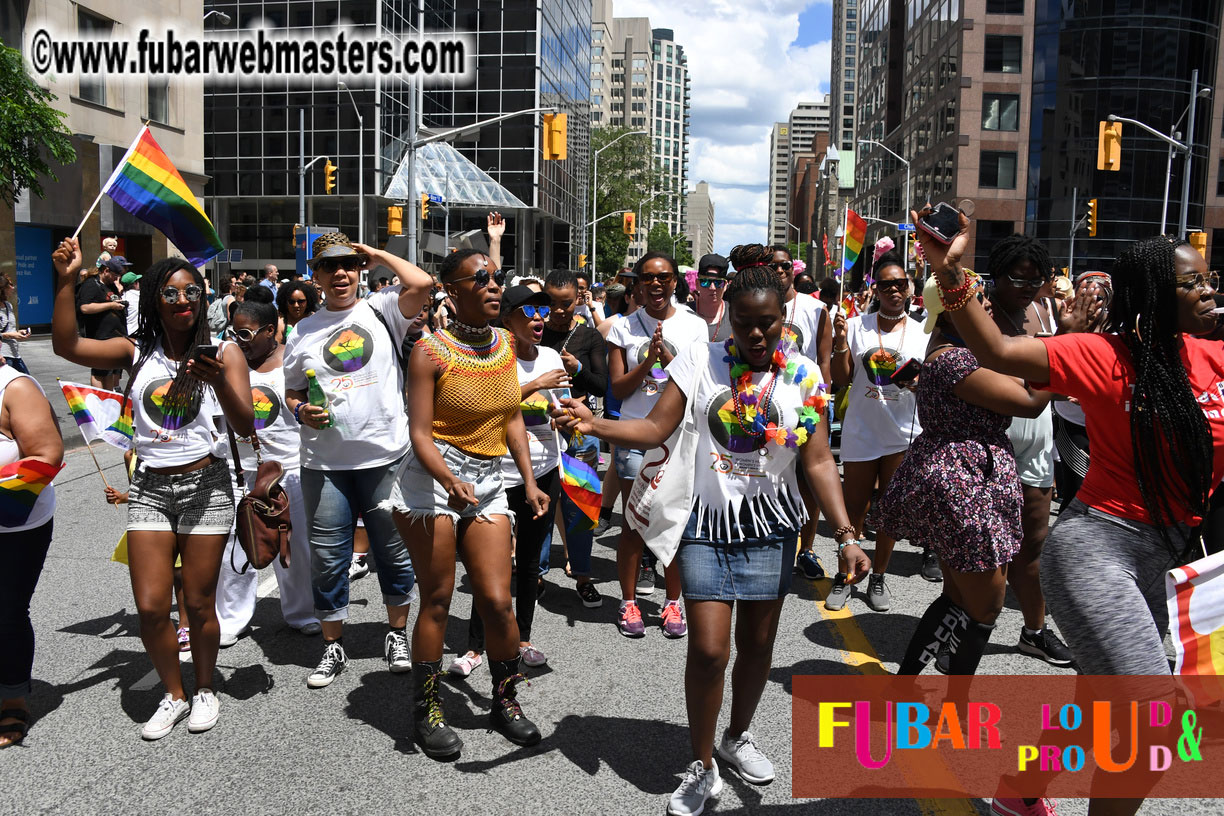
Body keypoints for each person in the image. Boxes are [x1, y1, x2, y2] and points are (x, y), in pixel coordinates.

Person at [917, 209, 1224, 816]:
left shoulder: (1215, 360)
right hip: (1097, 551)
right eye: (1192, 283)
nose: (1209, 290)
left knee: (1094, 704)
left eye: (1210, 279)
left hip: (1170, 562)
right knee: (1152, 718)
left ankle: (1019, 790)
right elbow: (997, 346)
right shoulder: (1104, 355)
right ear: (1157, 297)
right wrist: (953, 270)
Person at [553, 264, 871, 816]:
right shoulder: (702, 360)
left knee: (758, 646)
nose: (754, 335)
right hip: (705, 523)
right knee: (707, 650)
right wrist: (595, 424)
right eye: (743, 324)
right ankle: (704, 765)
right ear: (728, 321)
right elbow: (654, 427)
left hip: (772, 528)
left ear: (782, 322)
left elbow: (818, 460)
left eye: (766, 324)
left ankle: (737, 735)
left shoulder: (803, 377)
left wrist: (845, 534)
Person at [51, 237, 255, 740]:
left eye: (191, 293)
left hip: (206, 485)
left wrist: (218, 381)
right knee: (149, 605)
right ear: (156, 301)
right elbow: (65, 346)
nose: (182, 301)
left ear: (202, 300)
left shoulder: (225, 352)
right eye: (171, 293)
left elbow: (247, 423)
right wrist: (66, 280)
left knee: (201, 602)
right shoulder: (135, 351)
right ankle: (174, 694)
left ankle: (204, 687)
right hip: (149, 489)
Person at [394, 249, 549, 758]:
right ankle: (428, 711)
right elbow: (419, 434)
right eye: (479, 278)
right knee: (437, 598)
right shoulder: (428, 351)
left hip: (487, 480)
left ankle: (504, 704)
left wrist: (528, 482)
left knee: (498, 602)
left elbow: (511, 419)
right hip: (431, 481)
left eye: (495, 277)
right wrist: (448, 479)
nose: (492, 285)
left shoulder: (505, 344)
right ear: (451, 290)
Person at [872, 273, 1054, 678]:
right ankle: (953, 704)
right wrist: (1063, 354)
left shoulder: (957, 349)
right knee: (986, 604)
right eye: (975, 301)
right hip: (964, 486)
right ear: (950, 312)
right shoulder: (954, 359)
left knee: (958, 596)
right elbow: (1029, 402)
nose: (985, 305)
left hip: (969, 479)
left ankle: (907, 687)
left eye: (984, 298)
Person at [283, 233, 433, 690]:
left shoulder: (382, 307)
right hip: (324, 463)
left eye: (349, 264)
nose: (341, 274)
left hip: (386, 456)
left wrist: (378, 252)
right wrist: (299, 410)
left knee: (393, 551)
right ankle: (333, 645)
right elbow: (290, 391)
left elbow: (422, 283)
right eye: (330, 267)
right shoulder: (302, 331)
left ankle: (395, 634)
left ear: (360, 268)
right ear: (316, 275)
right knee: (329, 558)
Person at [452, 286, 565, 676]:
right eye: (530, 310)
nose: (539, 318)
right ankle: (474, 647)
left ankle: (524, 638)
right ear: (507, 319)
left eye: (544, 311)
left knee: (531, 563)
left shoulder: (550, 356)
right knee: (492, 565)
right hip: (496, 475)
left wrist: (563, 413)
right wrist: (535, 385)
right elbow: (487, 406)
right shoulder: (494, 356)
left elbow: (559, 404)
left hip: (543, 470)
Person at [606, 252, 710, 638]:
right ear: (637, 285)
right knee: (633, 523)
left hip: (679, 438)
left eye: (663, 278)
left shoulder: (694, 326)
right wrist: (647, 358)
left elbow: (699, 386)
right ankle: (629, 601)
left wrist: (668, 359)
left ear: (675, 283)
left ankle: (672, 603)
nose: (655, 285)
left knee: (676, 523)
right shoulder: (622, 328)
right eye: (647, 278)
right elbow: (618, 389)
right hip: (635, 437)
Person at [982, 235, 1074, 667]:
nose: (1025, 285)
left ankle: (1034, 633)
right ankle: (966, 629)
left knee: (1032, 547)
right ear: (996, 275)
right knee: (982, 552)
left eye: (1034, 279)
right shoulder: (980, 314)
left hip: (1038, 442)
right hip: (987, 446)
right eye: (1015, 278)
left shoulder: (1048, 311)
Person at [827, 246, 930, 612]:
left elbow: (928, 384)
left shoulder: (922, 333)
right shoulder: (855, 327)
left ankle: (879, 576)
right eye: (886, 286)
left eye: (900, 284)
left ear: (910, 287)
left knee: (889, 510)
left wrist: (918, 384)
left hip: (903, 433)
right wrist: (840, 343)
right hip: (861, 432)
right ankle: (845, 575)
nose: (893, 291)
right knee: (854, 508)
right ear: (875, 289)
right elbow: (839, 380)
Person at [213, 299, 320, 645]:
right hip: (236, 470)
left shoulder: (291, 361)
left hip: (287, 470)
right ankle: (231, 618)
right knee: (235, 544)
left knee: (292, 544)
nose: (239, 341)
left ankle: (302, 612)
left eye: (246, 334)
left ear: (270, 331)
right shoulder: (227, 363)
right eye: (234, 333)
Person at [0, 357, 64, 749]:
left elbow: (46, 454)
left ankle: (13, 697)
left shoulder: (15, 388)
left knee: (6, 611)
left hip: (15, 524)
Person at [541, 269, 608, 606]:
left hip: (580, 434)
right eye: (550, 302)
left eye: (565, 303)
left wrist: (578, 369)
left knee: (581, 510)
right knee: (539, 507)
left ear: (578, 300)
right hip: (538, 431)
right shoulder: (532, 333)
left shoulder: (589, 336)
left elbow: (602, 385)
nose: (557, 309)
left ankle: (583, 576)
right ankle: (535, 575)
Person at [77, 255, 132, 390]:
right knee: (99, 372)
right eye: (115, 275)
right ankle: (99, 400)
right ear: (106, 270)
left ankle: (108, 398)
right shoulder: (91, 284)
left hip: (114, 335)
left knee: (110, 370)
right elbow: (85, 307)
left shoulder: (110, 285)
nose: (116, 278)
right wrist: (111, 305)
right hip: (100, 336)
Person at [693, 253, 733, 342]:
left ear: (725, 285)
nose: (712, 288)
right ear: (697, 284)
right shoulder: (685, 312)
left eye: (718, 283)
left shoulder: (735, 314)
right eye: (706, 282)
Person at [0, 274, 32, 373]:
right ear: (2, 289)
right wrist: (11, 335)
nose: (13, 287)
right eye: (10, 285)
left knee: (27, 381)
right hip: (3, 354)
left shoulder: (8, 305)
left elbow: (10, 328)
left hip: (14, 353)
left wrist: (18, 332)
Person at [276, 280, 319, 344]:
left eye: (301, 301)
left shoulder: (315, 320)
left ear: (308, 301)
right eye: (291, 302)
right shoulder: (281, 323)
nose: (296, 305)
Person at [121, 271, 142, 336]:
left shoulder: (122, 297)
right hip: (140, 332)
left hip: (127, 333)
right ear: (135, 283)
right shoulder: (140, 295)